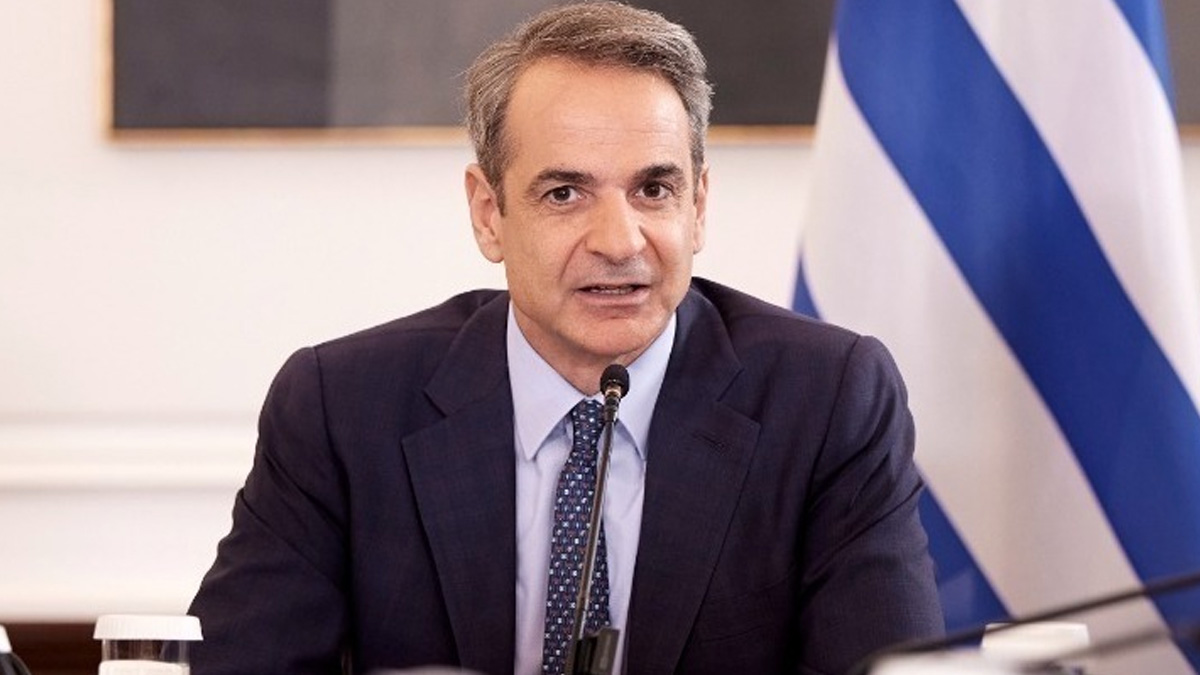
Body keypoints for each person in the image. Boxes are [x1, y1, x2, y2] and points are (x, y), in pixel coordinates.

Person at [187, 2, 944, 673]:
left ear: (698, 206)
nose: (620, 241)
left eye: (654, 189)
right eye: (565, 193)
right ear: (489, 213)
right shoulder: (342, 409)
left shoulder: (827, 402)